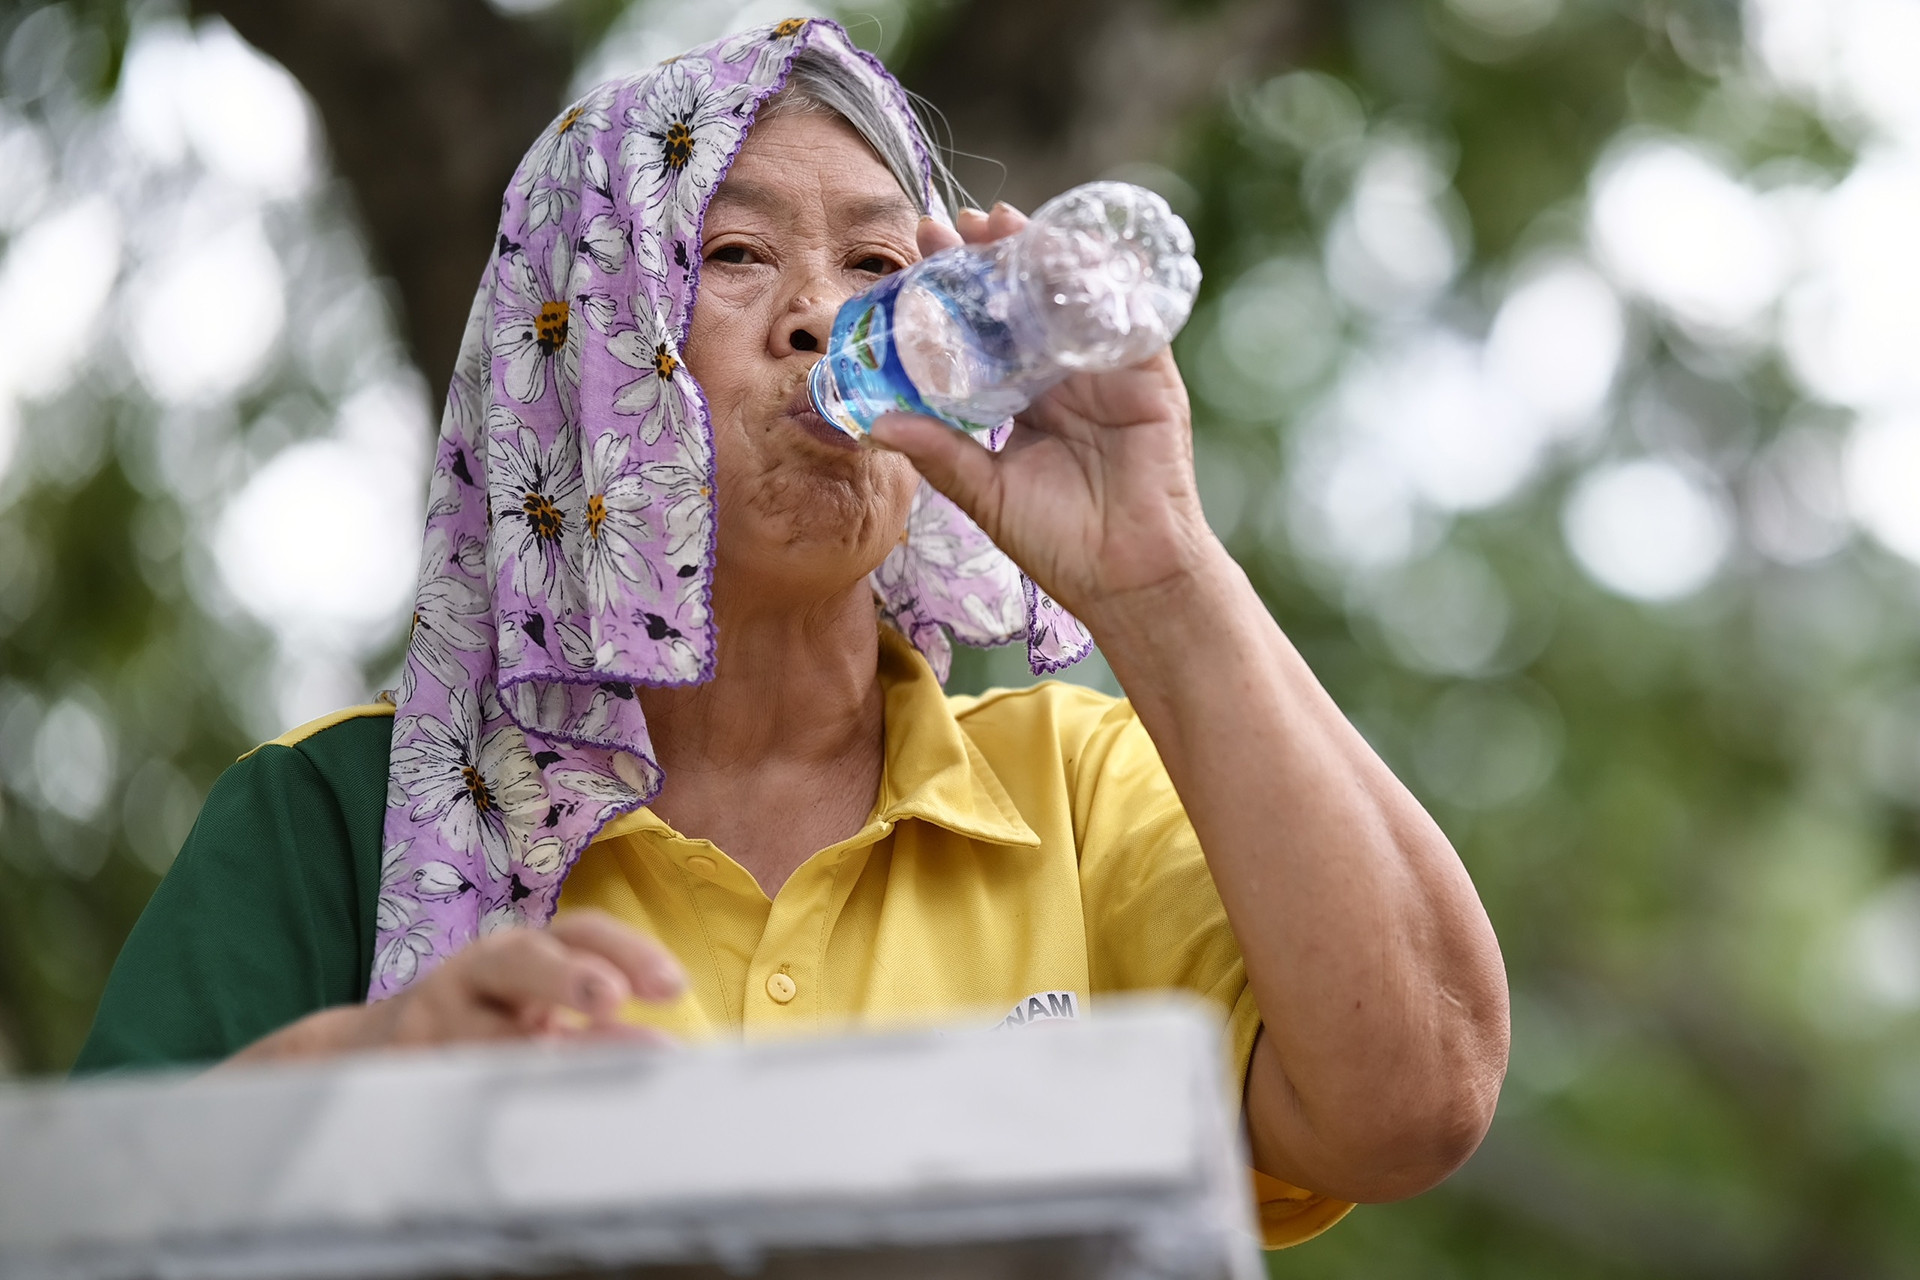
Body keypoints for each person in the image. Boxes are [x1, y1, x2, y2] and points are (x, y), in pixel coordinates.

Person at [75, 19, 1508, 1249]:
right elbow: (91, 1238)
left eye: (881, 258)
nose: (824, 319)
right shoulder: (343, 820)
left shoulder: (1075, 792)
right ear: (573, 350)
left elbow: (1420, 1099)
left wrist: (1157, 570)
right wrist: (374, 1071)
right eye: (739, 252)